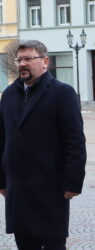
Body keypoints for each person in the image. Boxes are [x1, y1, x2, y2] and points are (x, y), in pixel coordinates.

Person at [0, 40, 86, 250]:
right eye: (19, 60)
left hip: (50, 188)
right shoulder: (9, 95)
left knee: (54, 245)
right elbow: (2, 139)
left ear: (45, 61)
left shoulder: (62, 93)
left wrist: (73, 182)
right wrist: (1, 180)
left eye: (28, 59)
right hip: (18, 189)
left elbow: (74, 140)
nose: (22, 64)